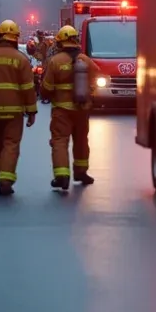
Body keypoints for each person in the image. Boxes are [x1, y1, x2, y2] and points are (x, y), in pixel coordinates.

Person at [0, 20, 38, 196]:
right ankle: (5, 179)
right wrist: (32, 111)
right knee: (11, 142)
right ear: (15, 38)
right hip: (14, 110)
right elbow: (28, 88)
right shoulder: (22, 60)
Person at [40, 25, 103, 190]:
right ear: (75, 40)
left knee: (60, 141)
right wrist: (91, 95)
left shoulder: (55, 61)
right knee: (81, 140)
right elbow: (97, 75)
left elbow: (46, 87)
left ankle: (62, 175)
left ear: (60, 42)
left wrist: (45, 95)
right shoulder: (85, 60)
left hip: (62, 110)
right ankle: (81, 172)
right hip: (82, 109)